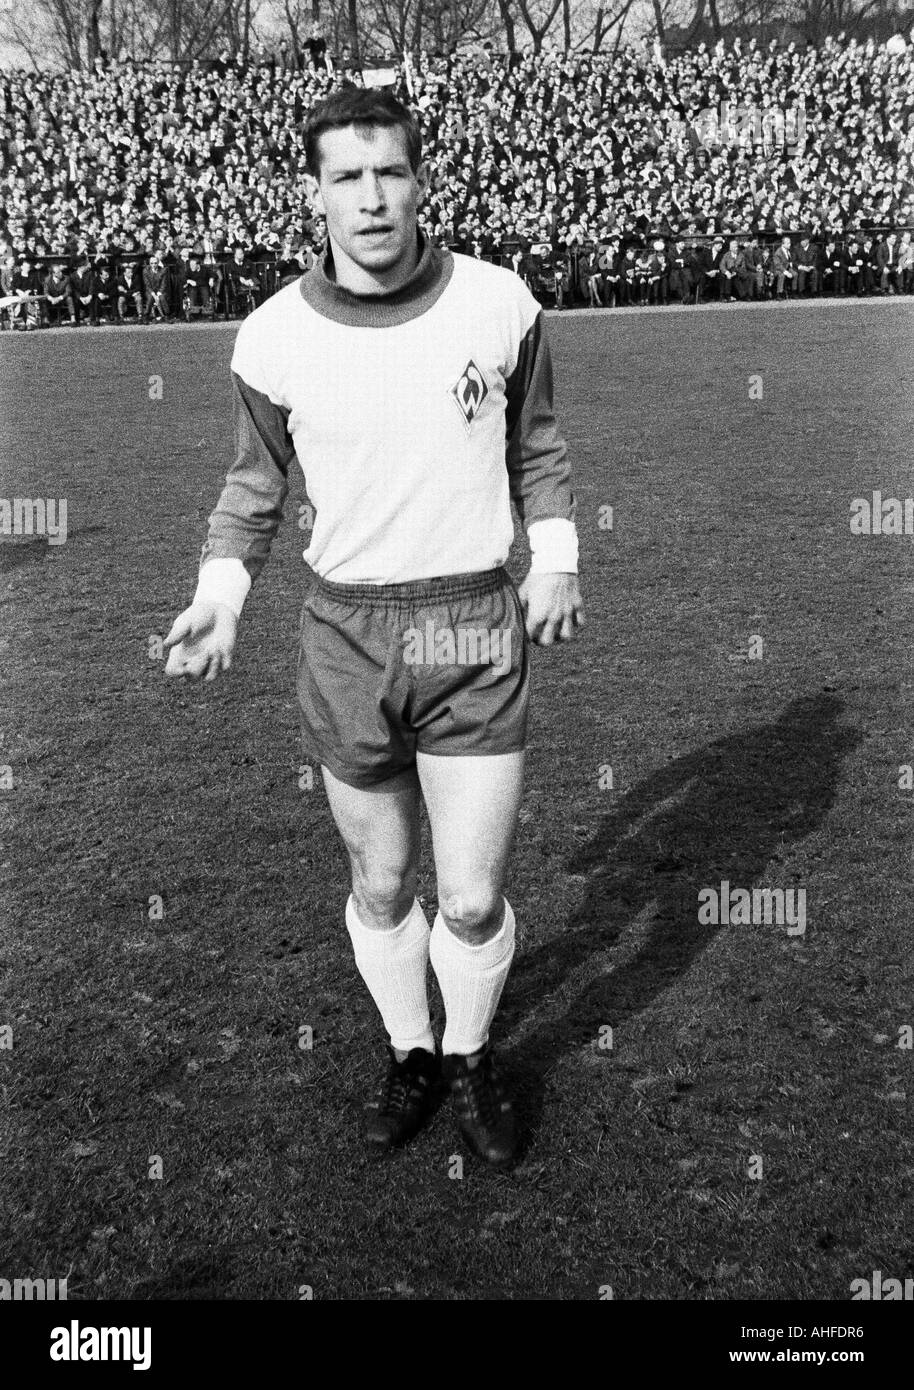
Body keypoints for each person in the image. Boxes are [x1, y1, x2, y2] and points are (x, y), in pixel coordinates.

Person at [162, 86, 584, 1171]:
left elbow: (535, 447)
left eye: (388, 171)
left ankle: (471, 1055)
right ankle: (409, 1047)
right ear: (314, 197)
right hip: (347, 638)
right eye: (346, 178)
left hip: (471, 628)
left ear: (419, 179)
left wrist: (559, 556)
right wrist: (219, 595)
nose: (371, 197)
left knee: (475, 892)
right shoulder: (272, 335)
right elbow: (253, 488)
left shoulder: (499, 303)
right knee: (384, 884)